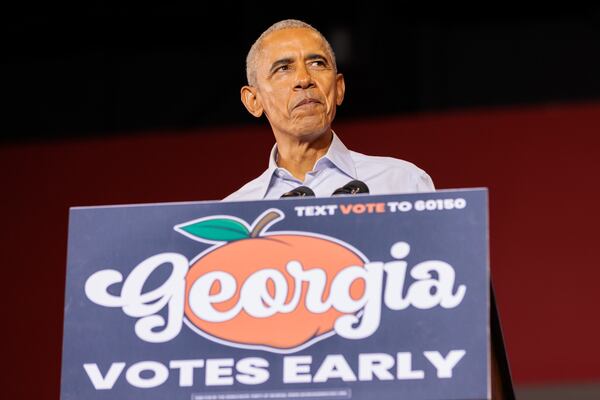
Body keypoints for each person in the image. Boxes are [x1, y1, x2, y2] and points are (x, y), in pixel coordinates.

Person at [225, 19, 434, 201]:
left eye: (317, 63)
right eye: (283, 68)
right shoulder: (236, 215)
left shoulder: (402, 184)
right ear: (253, 100)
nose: (304, 79)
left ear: (339, 88)